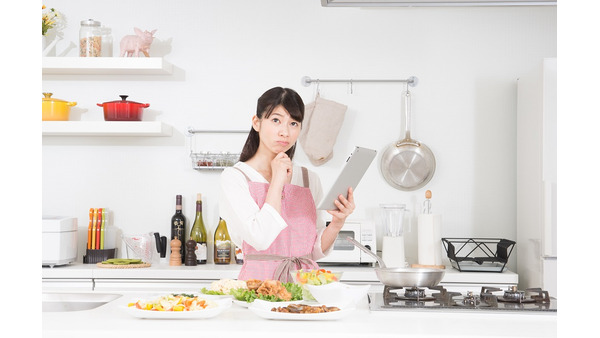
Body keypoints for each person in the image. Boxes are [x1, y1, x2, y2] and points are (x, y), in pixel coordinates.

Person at [218, 87, 355, 282]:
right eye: (276, 120)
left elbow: (314, 251)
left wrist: (337, 223)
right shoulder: (235, 177)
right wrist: (277, 181)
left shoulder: (309, 179)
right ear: (257, 123)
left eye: (293, 123)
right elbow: (260, 238)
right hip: (259, 287)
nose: (285, 132)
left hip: (305, 287)